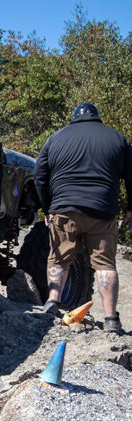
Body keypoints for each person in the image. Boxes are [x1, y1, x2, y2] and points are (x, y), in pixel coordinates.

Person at [34, 102, 132, 333]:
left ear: (74, 117)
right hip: (102, 211)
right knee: (105, 264)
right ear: (96, 117)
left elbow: (39, 175)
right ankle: (111, 319)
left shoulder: (56, 138)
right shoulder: (117, 138)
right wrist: (130, 208)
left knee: (59, 259)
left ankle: (53, 302)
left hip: (64, 209)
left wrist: (47, 208)